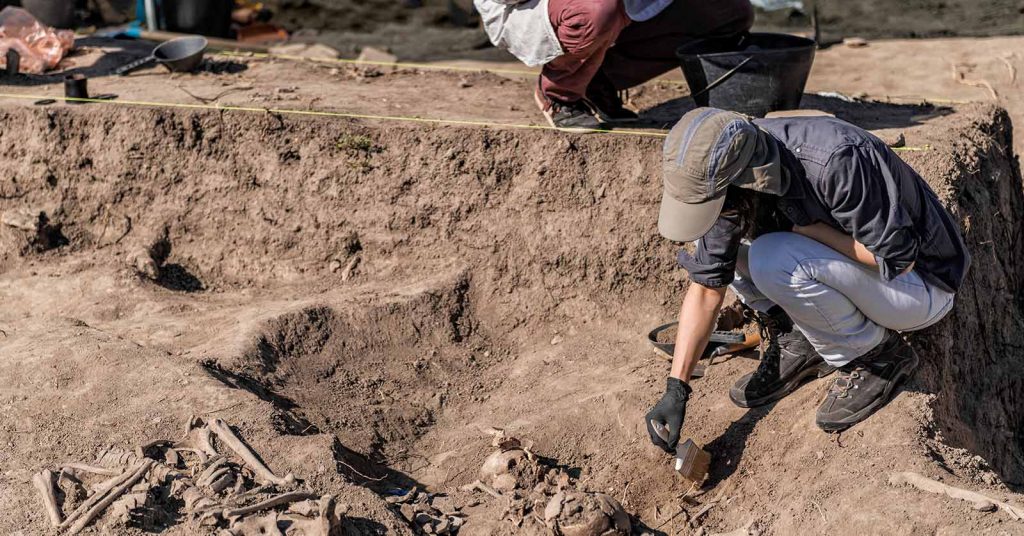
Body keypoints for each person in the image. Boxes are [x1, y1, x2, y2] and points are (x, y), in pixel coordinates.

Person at [645, 107, 971, 454]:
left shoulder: (835, 161)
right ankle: (799, 341)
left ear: (740, 176)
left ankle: (876, 358)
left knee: (772, 257)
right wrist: (676, 388)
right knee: (721, 246)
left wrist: (812, 232)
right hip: (854, 274)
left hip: (921, 286)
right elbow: (708, 285)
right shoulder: (734, 175)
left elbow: (898, 260)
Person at [474, 0, 754, 131]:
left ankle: (597, 79)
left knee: (727, 12)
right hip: (536, 8)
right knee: (597, 11)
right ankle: (560, 91)